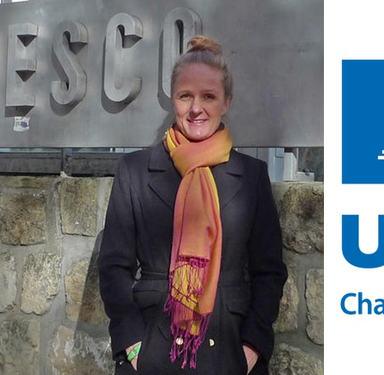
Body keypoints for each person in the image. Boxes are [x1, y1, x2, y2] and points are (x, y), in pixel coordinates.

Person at [98, 35, 287, 375]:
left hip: (230, 351)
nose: (196, 107)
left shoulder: (252, 175)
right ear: (173, 99)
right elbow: (113, 267)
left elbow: (269, 271)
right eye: (186, 96)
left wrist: (253, 346)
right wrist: (132, 344)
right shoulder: (135, 171)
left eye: (209, 96)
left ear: (226, 102)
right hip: (154, 349)